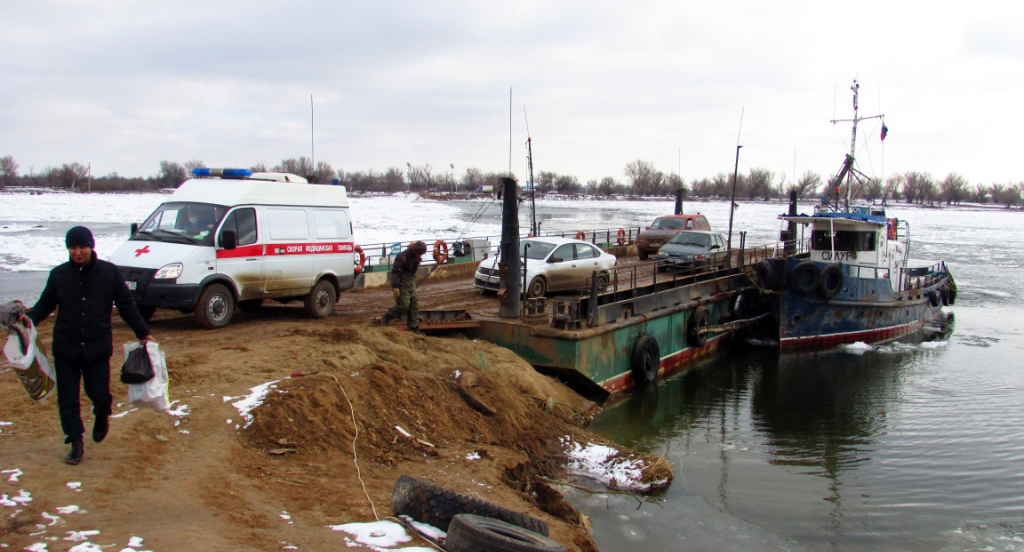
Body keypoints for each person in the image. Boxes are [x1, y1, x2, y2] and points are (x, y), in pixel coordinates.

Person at [22, 226, 152, 465]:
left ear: (91, 246)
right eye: (73, 247)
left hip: (97, 347)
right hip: (66, 347)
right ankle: (75, 441)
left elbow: (126, 305)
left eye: (82, 247)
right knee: (68, 398)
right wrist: (26, 321)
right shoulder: (59, 275)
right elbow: (44, 305)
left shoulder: (109, 273)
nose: (78, 252)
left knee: (99, 394)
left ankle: (102, 414)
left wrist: (143, 332)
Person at [380, 241, 428, 334]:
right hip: (402, 282)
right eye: (419, 254)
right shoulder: (402, 257)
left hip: (411, 282)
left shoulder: (416, 257)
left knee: (414, 305)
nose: (420, 256)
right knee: (403, 305)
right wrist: (395, 287)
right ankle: (388, 316)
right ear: (415, 251)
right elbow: (395, 273)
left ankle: (413, 327)